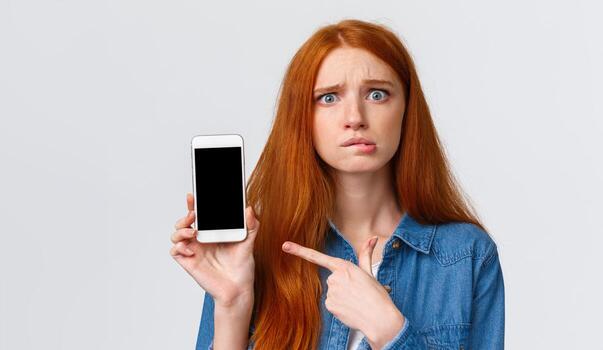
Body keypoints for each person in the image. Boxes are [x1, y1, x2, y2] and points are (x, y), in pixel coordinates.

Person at [169, 19, 504, 350]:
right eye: (329, 98)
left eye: (377, 94)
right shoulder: (257, 255)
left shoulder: (466, 254)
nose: (355, 117)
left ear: (407, 109)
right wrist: (232, 304)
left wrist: (389, 331)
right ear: (302, 118)